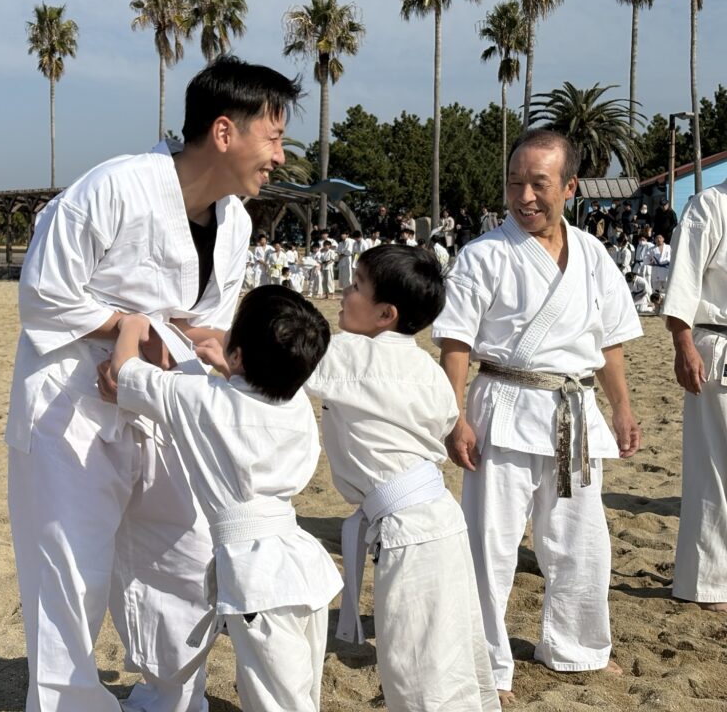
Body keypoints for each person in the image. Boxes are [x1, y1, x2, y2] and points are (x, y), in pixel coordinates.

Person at [5, 55, 302, 712]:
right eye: (274, 137)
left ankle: (168, 698)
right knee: (68, 578)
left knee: (186, 557)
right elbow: (43, 295)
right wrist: (129, 326)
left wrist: (208, 345)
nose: (280, 157)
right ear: (224, 132)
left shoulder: (235, 223)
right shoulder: (114, 188)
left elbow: (205, 320)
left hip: (166, 405)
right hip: (71, 409)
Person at [433, 129, 643, 704]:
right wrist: (455, 416)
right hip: (503, 405)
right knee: (490, 545)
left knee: (581, 538)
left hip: (574, 410)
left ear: (570, 187)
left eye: (538, 184)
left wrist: (622, 407)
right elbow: (455, 343)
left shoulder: (593, 255)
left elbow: (610, 341)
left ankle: (577, 647)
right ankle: (485, 661)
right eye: (514, 183)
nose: (524, 196)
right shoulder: (484, 255)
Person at [105, 286, 343, 711]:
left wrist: (131, 324)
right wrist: (230, 368)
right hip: (302, 565)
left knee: (273, 699)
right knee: (300, 690)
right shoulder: (297, 407)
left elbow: (123, 370)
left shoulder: (200, 399)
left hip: (259, 579)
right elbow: (249, 403)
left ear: (238, 355)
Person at [305, 245, 500, 712]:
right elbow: (443, 418)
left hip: (408, 530)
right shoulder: (428, 371)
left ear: (385, 314)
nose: (344, 292)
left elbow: (277, 354)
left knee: (414, 666)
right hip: (439, 520)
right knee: (448, 651)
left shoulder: (348, 355)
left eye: (356, 286)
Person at [662, 178, 727, 613]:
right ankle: (708, 582)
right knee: (714, 467)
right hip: (717, 342)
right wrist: (683, 344)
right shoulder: (710, 205)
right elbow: (683, 280)